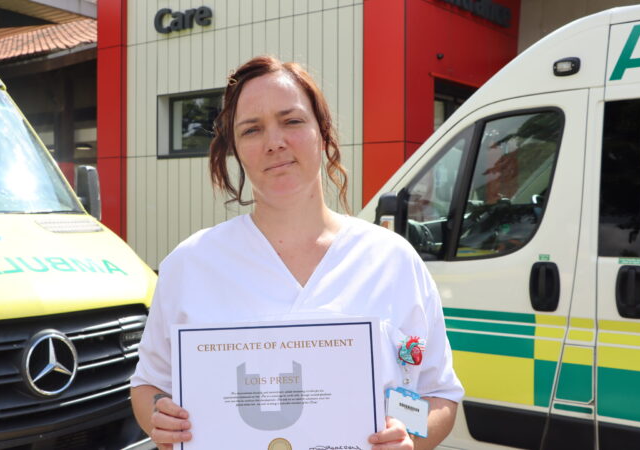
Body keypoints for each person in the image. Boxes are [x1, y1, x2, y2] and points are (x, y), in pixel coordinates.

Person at [130, 55, 463, 450]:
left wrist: (411, 435)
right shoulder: (190, 264)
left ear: (322, 132)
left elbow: (438, 394)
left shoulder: (391, 260)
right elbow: (148, 385)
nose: (275, 143)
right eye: (252, 130)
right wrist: (159, 416)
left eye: (292, 121)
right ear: (234, 148)